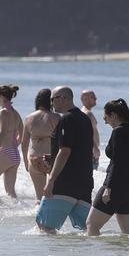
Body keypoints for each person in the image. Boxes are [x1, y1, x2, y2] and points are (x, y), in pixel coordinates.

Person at [35, 86, 94, 233]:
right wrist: (53, 156)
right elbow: (81, 148)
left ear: (63, 98)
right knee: (87, 230)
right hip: (85, 183)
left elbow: (65, 151)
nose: (51, 103)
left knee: (44, 225)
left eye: (52, 99)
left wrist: (51, 180)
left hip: (65, 182)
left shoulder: (66, 118)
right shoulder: (85, 118)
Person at [87, 99, 129, 236]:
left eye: (106, 117)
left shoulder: (118, 132)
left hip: (115, 187)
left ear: (114, 115)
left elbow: (117, 162)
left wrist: (108, 187)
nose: (105, 121)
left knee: (92, 225)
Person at [21, 88, 60, 201]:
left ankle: (38, 217)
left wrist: (25, 161)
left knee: (39, 198)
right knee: (54, 195)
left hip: (34, 158)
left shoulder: (29, 118)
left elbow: (24, 143)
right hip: (52, 159)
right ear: (51, 101)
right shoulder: (56, 117)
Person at [80, 89, 101, 170]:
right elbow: (86, 133)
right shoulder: (87, 113)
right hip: (90, 151)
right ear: (85, 99)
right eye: (93, 97)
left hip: (89, 150)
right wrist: (95, 148)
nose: (96, 98)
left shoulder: (85, 112)